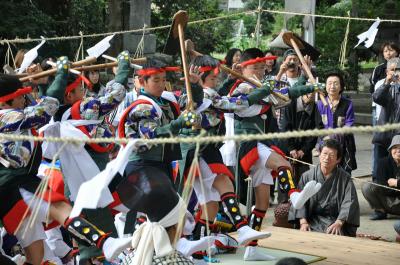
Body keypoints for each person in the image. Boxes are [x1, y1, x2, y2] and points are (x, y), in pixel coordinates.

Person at [228, 47, 324, 259]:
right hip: (249, 144)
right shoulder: (240, 87)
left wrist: (305, 80)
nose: (261, 71)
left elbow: (286, 95)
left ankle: (251, 248)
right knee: (284, 164)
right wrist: (264, 92)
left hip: (262, 143)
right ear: (243, 67)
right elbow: (240, 107)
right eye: (255, 67)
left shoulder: (262, 85)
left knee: (262, 202)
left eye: (263, 68)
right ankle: (293, 194)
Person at [180, 55, 272, 261]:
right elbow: (233, 103)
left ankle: (200, 250)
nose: (217, 82)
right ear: (200, 78)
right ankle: (242, 228)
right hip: (200, 150)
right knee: (224, 183)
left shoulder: (205, 93)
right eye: (213, 79)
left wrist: (233, 78)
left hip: (204, 149)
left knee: (210, 205)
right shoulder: (200, 95)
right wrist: (264, 91)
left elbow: (222, 95)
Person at [42, 52, 130, 264]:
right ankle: (100, 255)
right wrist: (123, 68)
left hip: (83, 174)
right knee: (97, 211)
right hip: (89, 173)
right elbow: (114, 96)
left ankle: (94, 255)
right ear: (69, 95)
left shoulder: (62, 113)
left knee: (91, 212)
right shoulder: (80, 109)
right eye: (81, 89)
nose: (86, 91)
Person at [289, 139, 360, 237]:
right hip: (312, 220)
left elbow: (349, 201)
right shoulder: (307, 176)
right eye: (324, 153)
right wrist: (303, 222)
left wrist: (339, 222)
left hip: (335, 222)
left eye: (331, 155)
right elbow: (299, 201)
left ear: (338, 159)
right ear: (319, 154)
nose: (327, 158)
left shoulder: (345, 178)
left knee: (336, 235)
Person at [280, 91, 319, 202]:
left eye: (313, 93)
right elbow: (285, 128)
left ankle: (303, 209)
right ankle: (284, 207)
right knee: (286, 178)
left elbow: (314, 132)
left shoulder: (315, 108)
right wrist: (291, 148)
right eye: (308, 92)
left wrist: (304, 150)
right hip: (287, 149)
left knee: (304, 178)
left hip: (304, 152)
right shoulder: (290, 105)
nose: (310, 95)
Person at [316, 72, 357, 174]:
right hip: (325, 144)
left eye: (335, 83)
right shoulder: (320, 104)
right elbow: (318, 125)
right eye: (329, 83)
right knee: (327, 173)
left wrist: (335, 135)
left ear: (341, 86)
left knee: (344, 175)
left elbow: (350, 123)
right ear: (325, 86)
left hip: (344, 145)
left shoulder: (347, 103)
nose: (332, 86)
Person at [372, 57, 400, 180]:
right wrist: (387, 82)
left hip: (398, 138)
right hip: (383, 136)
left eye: (398, 70)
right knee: (380, 170)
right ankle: (379, 193)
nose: (396, 73)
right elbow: (377, 97)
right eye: (392, 70)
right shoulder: (387, 87)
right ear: (387, 72)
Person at [362, 135, 400, 220]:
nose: (398, 150)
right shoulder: (383, 163)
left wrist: (396, 183)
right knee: (367, 186)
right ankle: (380, 211)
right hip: (387, 200)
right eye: (395, 147)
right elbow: (382, 187)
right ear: (390, 150)